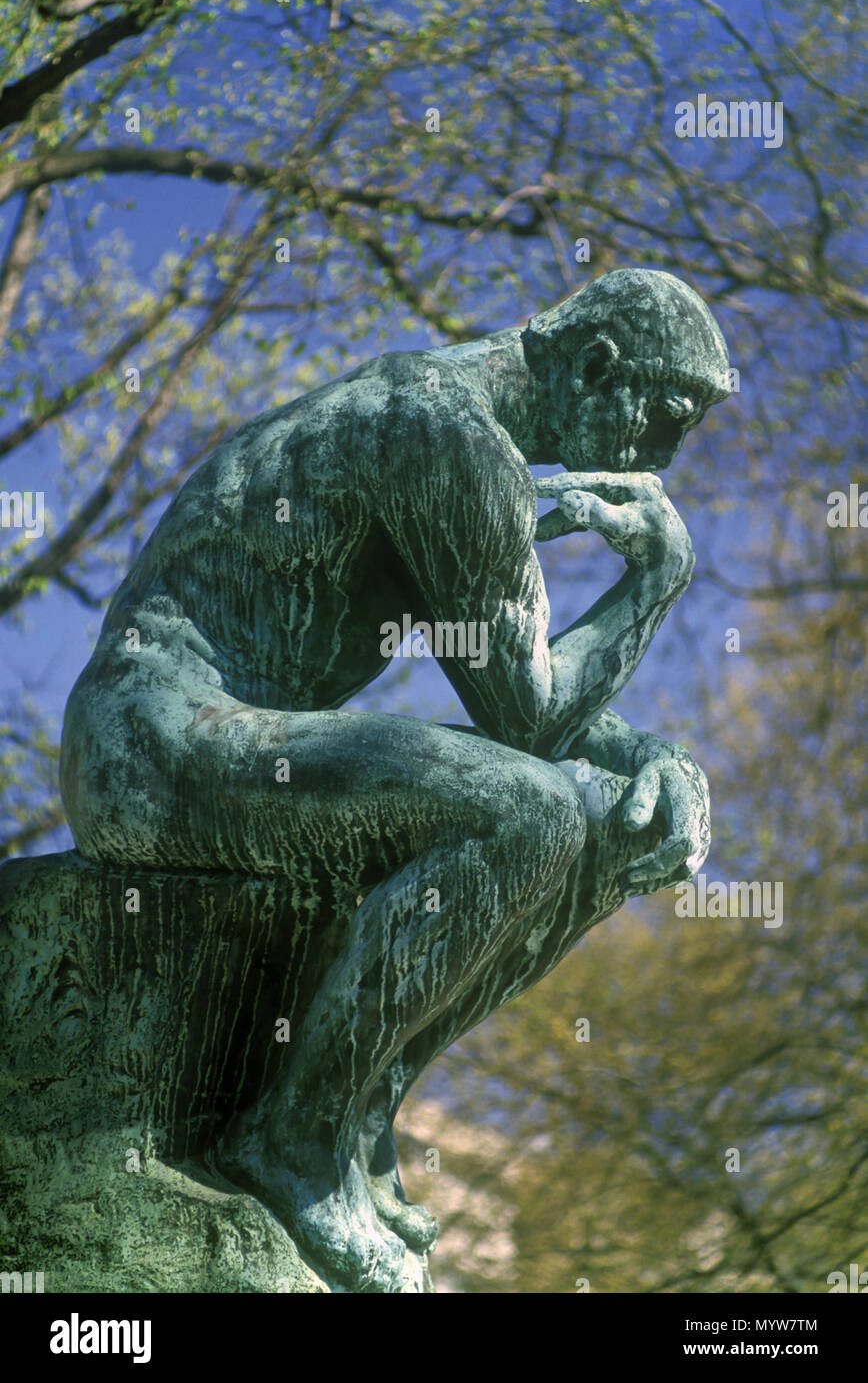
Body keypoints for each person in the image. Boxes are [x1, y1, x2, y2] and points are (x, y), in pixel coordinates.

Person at [60, 268, 731, 1290]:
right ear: (600, 366)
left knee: (603, 823)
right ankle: (292, 1135)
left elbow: (530, 705)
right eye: (670, 415)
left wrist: (649, 758)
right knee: (528, 810)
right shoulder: (442, 434)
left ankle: (359, 1103)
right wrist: (656, 579)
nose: (669, 455)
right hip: (150, 740)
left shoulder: (467, 446)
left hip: (228, 736)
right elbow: (530, 720)